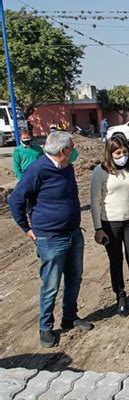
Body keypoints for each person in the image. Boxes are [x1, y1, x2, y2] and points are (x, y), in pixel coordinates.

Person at [8, 131, 93, 348]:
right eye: (72, 148)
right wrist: (27, 228)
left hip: (74, 234)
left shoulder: (67, 167)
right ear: (63, 151)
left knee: (74, 278)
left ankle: (69, 317)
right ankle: (45, 327)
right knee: (51, 285)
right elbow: (15, 200)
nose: (74, 151)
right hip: (50, 239)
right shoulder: (37, 170)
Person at [90, 137, 129, 316]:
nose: (122, 156)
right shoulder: (100, 172)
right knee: (115, 262)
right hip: (110, 223)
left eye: (125, 152)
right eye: (118, 153)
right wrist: (98, 228)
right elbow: (94, 202)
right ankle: (121, 298)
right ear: (110, 154)